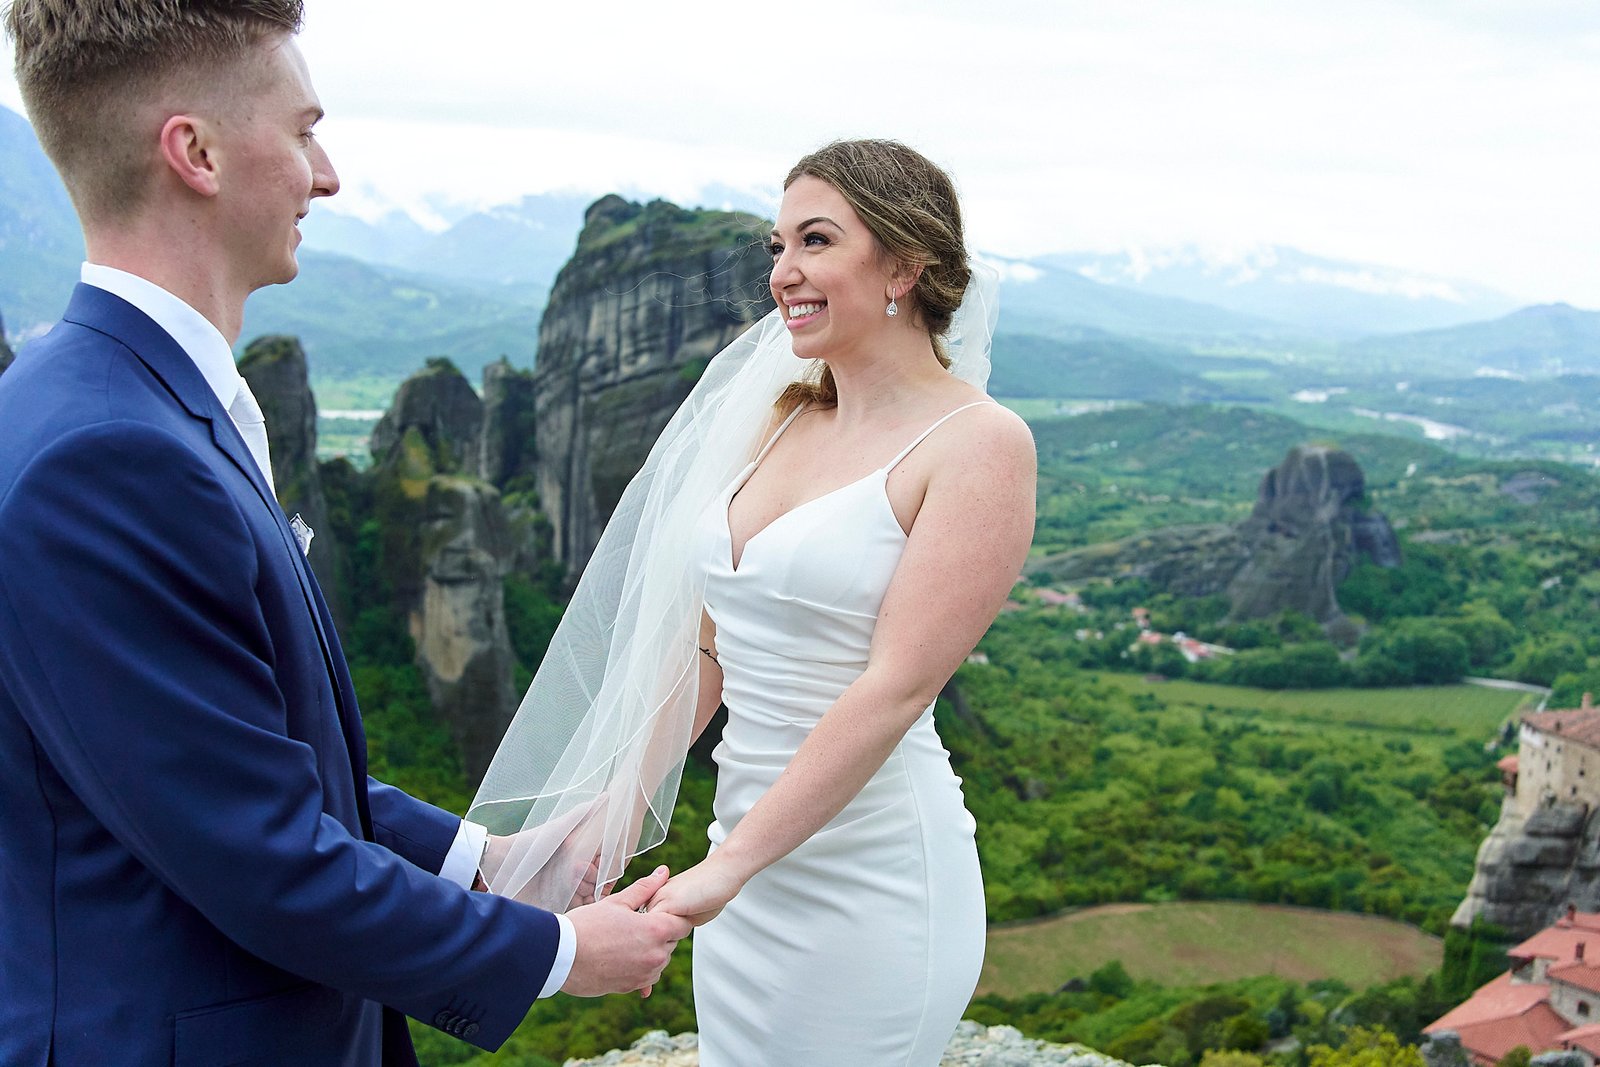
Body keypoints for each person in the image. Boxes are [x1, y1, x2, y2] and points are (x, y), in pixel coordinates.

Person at [0, 3, 689, 1065]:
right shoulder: (105, 457)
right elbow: (260, 854)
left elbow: (248, 756)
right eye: (305, 129)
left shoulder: (118, 401)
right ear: (197, 153)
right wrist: (553, 949)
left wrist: (484, 858)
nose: (326, 175)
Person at [472, 139, 1036, 1064]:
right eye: (777, 247)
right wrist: (613, 811)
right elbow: (704, 649)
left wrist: (727, 870)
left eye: (815, 241)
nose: (784, 274)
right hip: (741, 859)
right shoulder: (779, 416)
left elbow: (893, 688)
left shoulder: (978, 443)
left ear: (904, 263)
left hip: (872, 877)